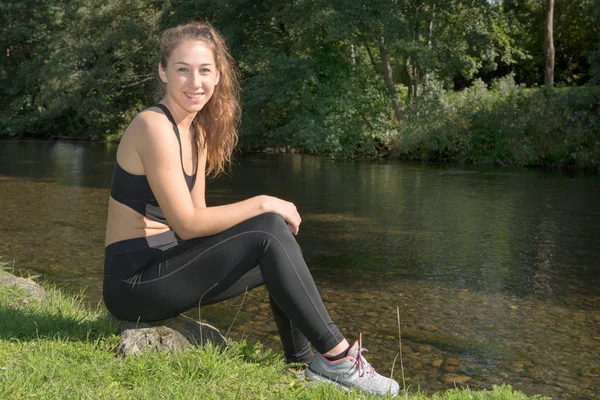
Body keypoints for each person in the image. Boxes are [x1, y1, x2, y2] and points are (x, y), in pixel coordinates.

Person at [102, 21, 399, 397]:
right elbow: (189, 224)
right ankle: (338, 358)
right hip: (133, 283)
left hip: (165, 264)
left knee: (275, 250)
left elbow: (199, 221)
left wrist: (260, 228)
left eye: (205, 70)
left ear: (217, 74)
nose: (195, 81)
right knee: (268, 229)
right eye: (183, 69)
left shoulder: (195, 133)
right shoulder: (153, 125)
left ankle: (305, 362)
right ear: (164, 72)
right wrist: (264, 203)